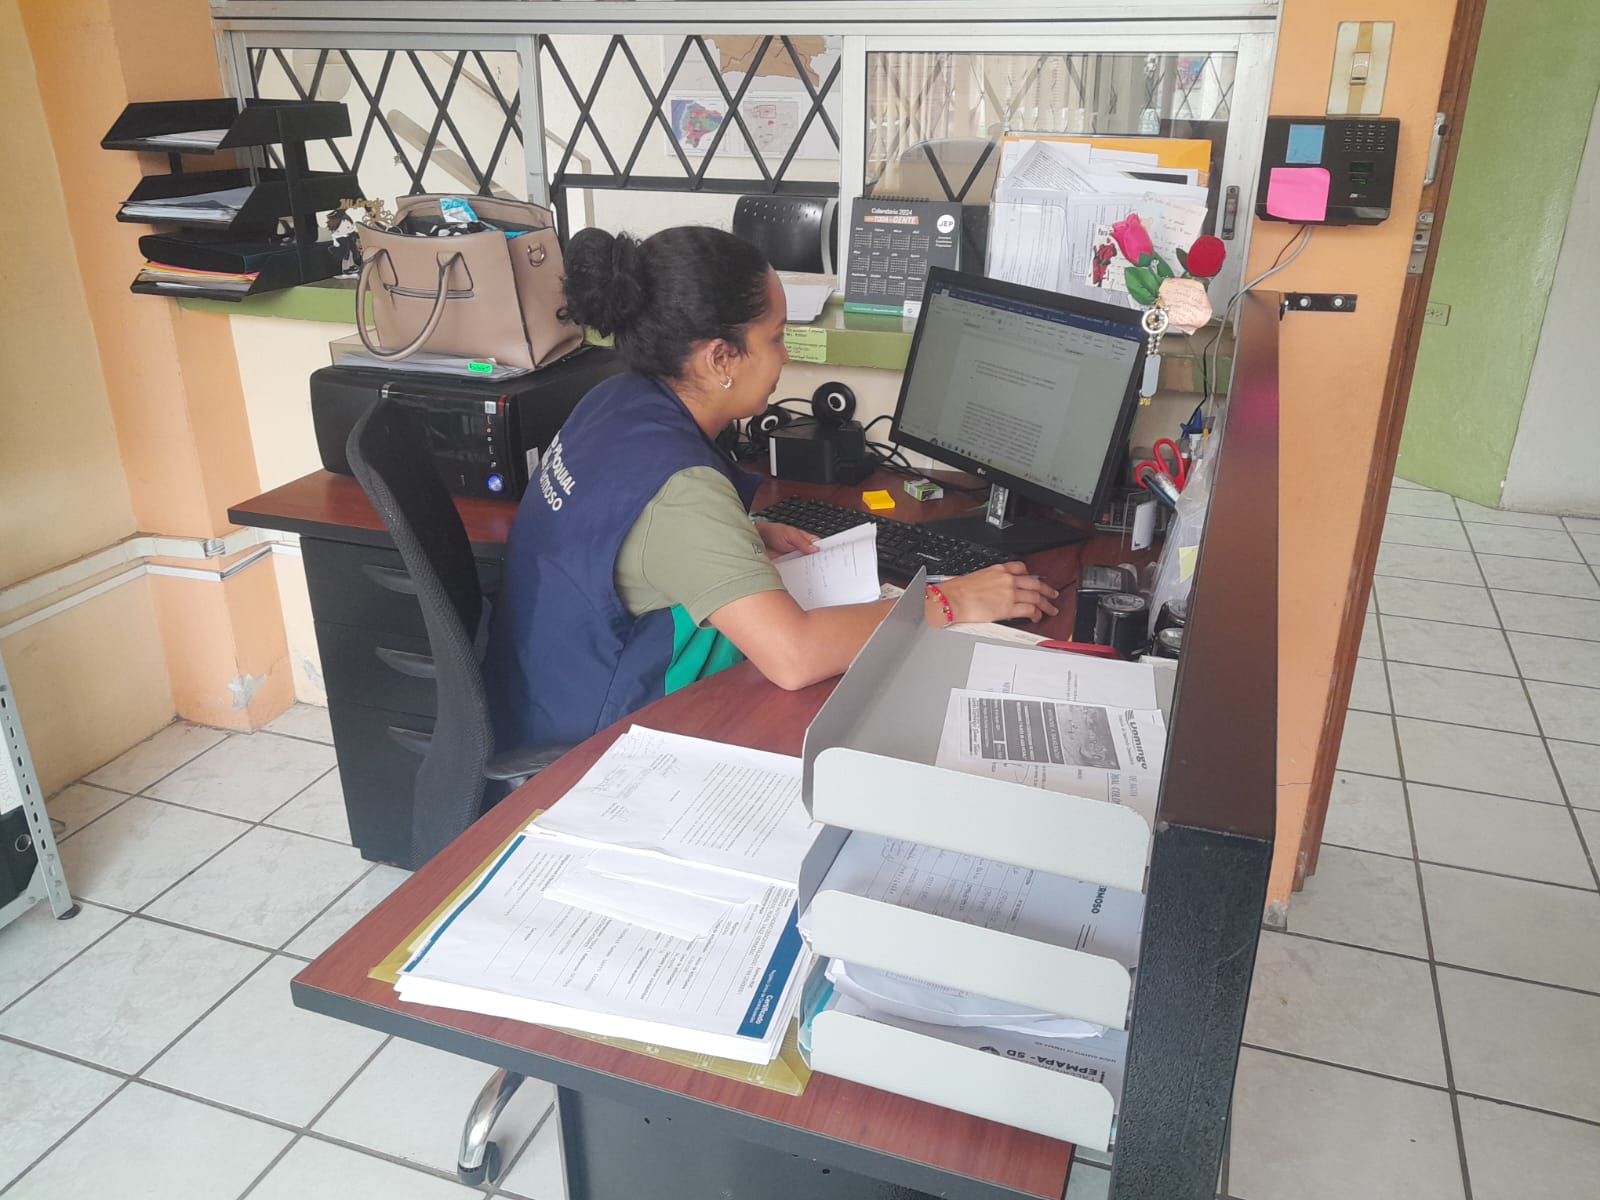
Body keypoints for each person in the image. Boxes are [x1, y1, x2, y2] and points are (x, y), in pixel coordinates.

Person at [484, 225, 1058, 752]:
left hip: (536, 691)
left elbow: (618, 526)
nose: (784, 358)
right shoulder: (682, 490)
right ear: (720, 358)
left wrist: (741, 534)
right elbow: (794, 656)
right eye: (777, 338)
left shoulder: (614, 399)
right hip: (590, 744)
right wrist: (953, 601)